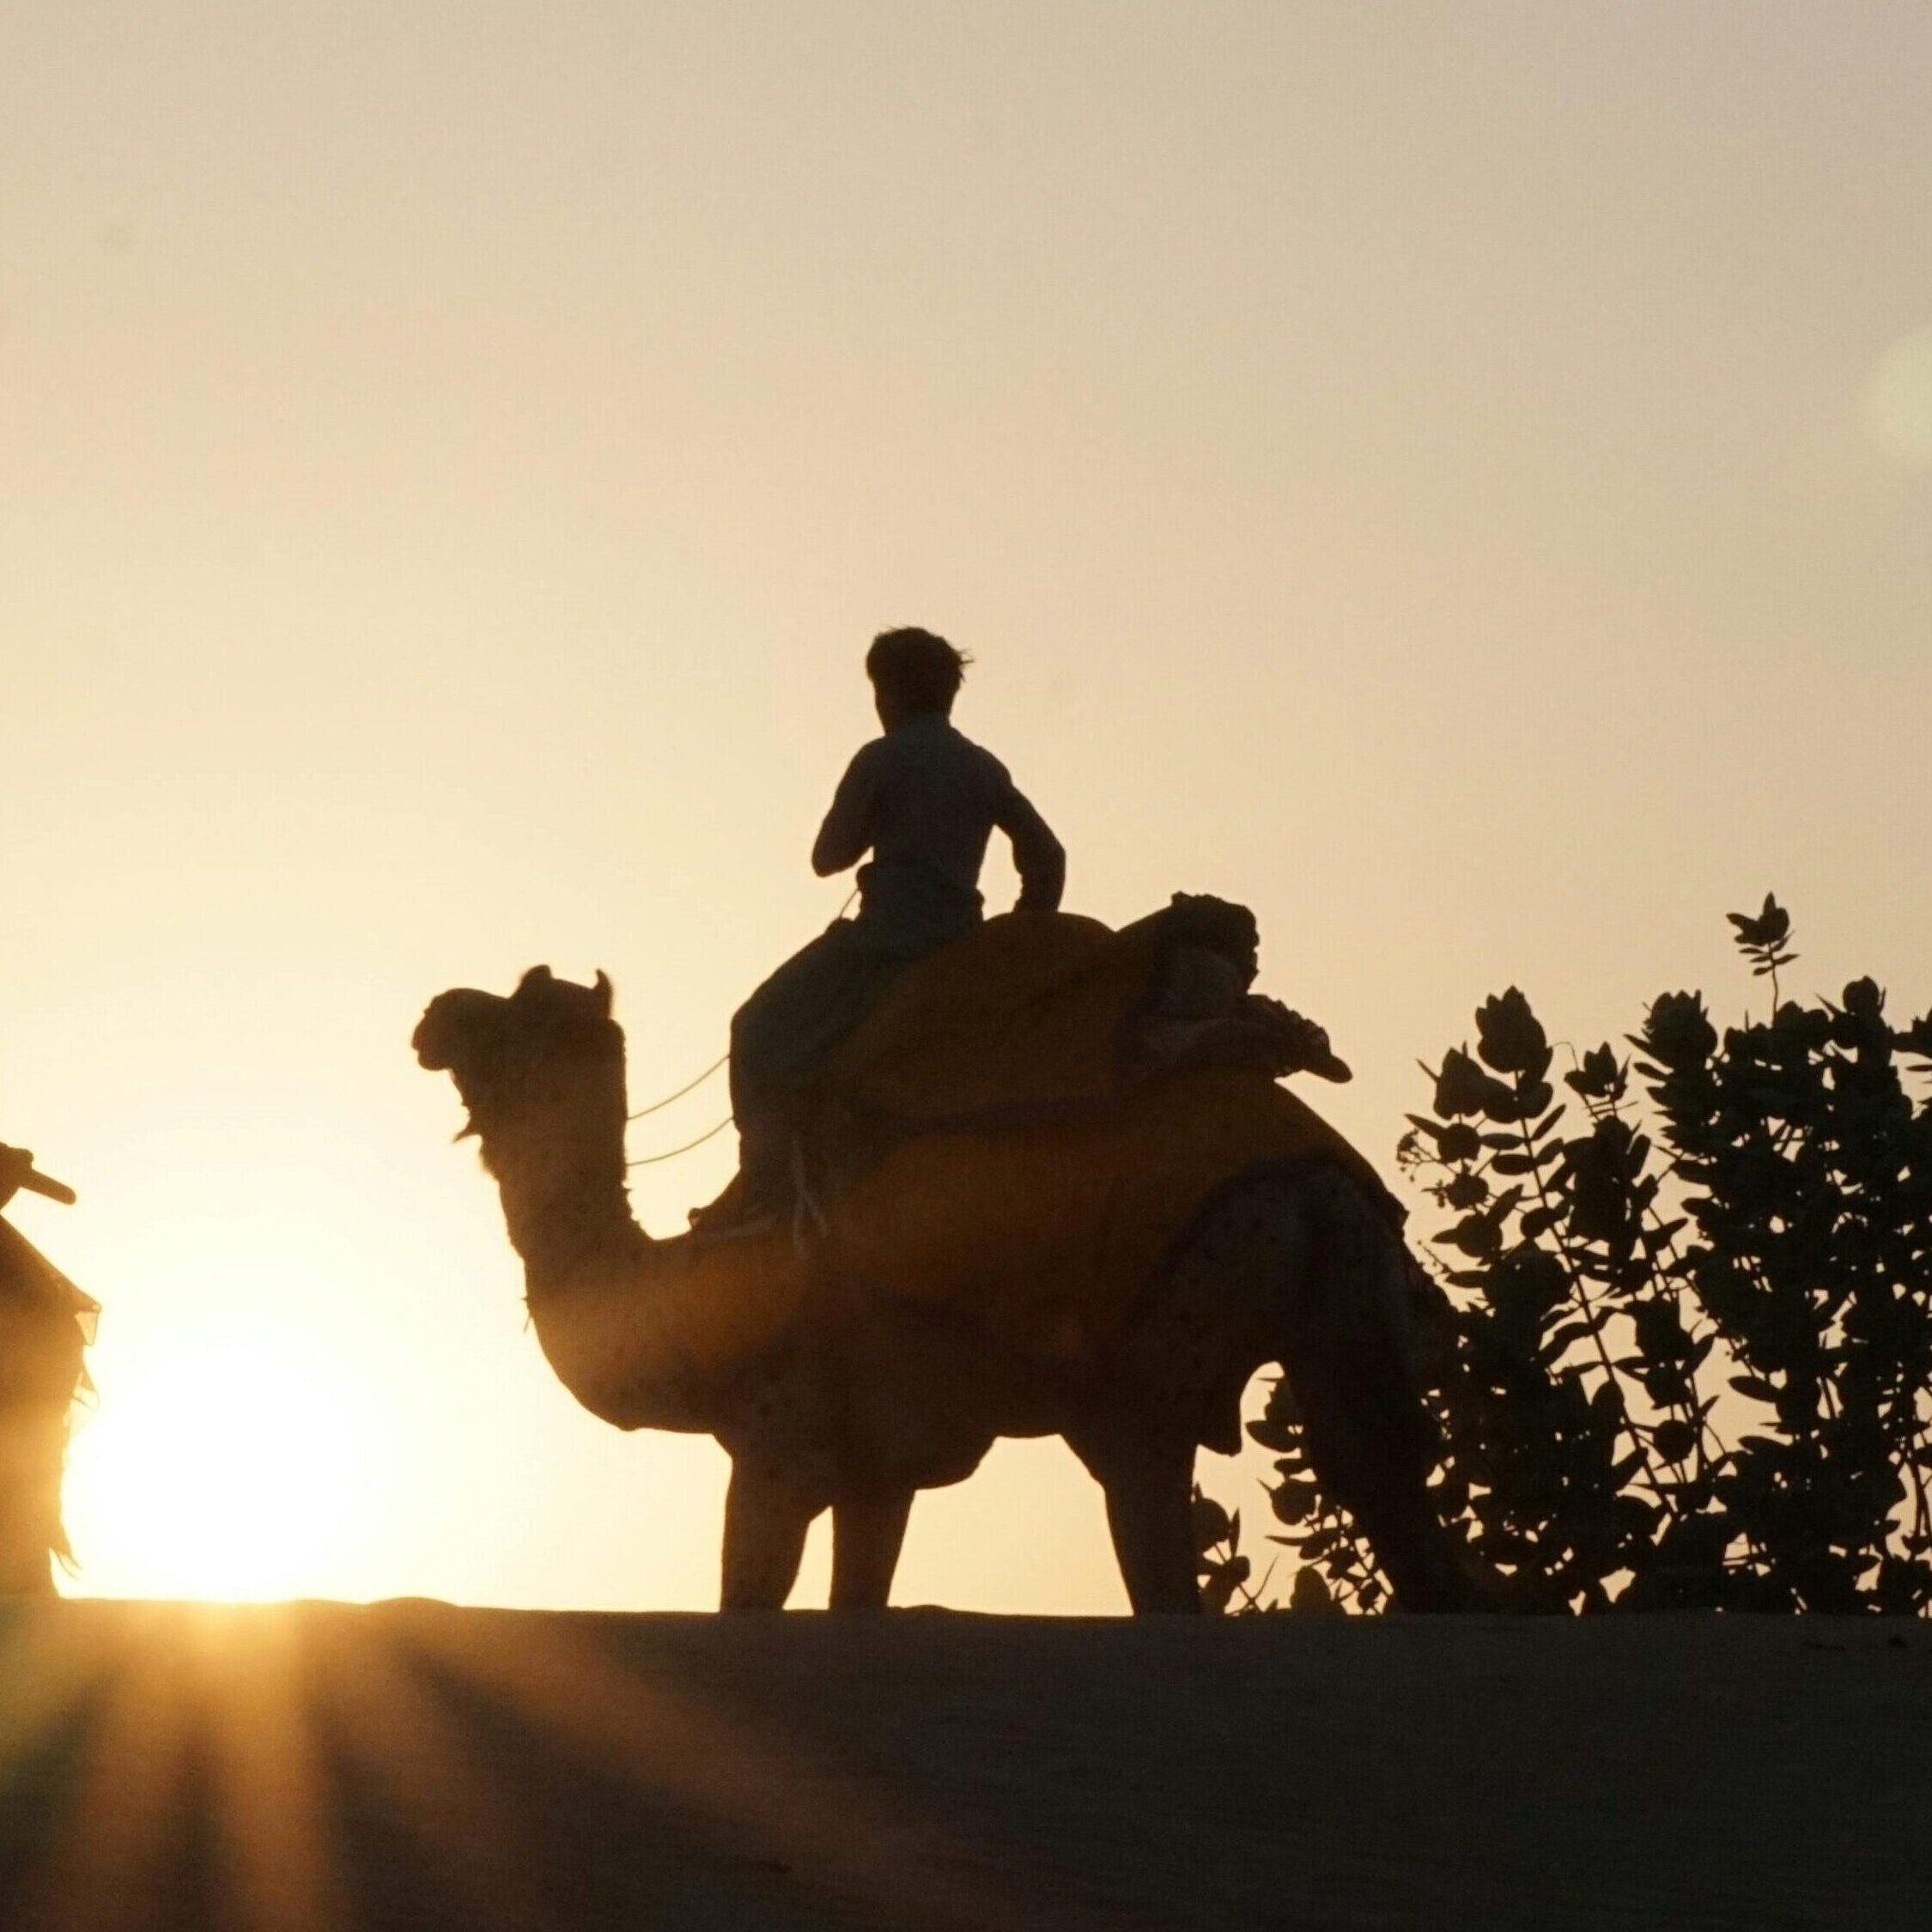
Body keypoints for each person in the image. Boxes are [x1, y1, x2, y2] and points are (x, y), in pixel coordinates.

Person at [706, 627, 1065, 1229]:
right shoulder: (981, 767)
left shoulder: (883, 757)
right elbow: (1047, 855)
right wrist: (1020, 938)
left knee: (758, 1030)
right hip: (958, 941)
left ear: (889, 692)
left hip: (884, 946)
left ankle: (766, 1193)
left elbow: (829, 856)